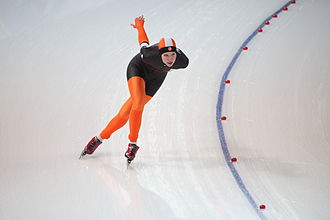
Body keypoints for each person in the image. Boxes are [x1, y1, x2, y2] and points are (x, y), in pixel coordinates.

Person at [79, 15, 189, 162]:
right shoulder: (149, 54)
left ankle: (98, 139)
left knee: (125, 114)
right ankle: (133, 143)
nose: (170, 59)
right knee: (137, 104)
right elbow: (143, 41)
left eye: (172, 55)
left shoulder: (182, 61)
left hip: (157, 78)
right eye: (166, 55)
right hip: (138, 69)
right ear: (159, 54)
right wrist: (140, 26)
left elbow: (174, 60)